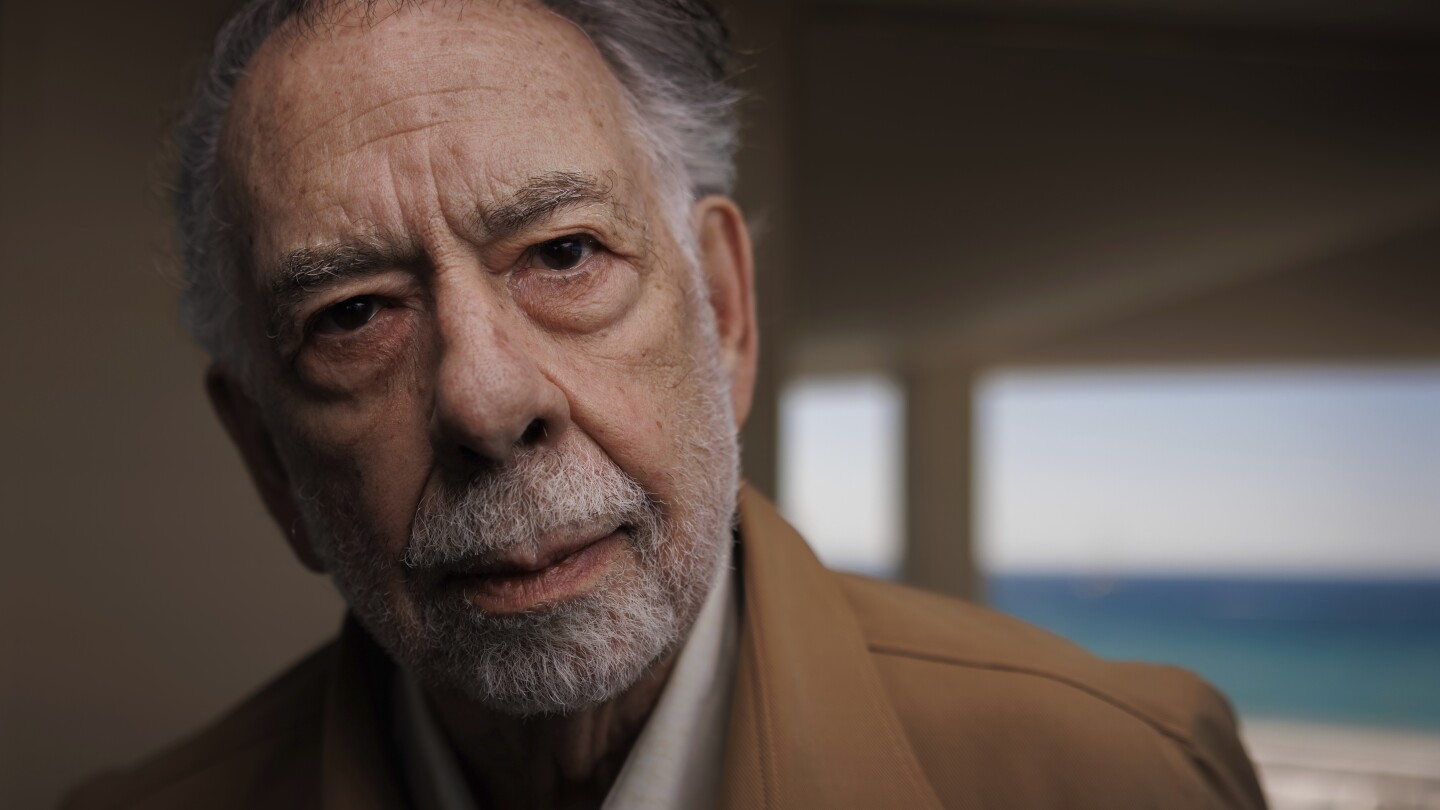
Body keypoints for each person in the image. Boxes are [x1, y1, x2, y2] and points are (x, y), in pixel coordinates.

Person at [66, 0, 1267, 807]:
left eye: (565, 254)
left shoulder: (1128, 774)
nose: (487, 399)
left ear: (726, 311)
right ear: (270, 464)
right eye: (355, 317)